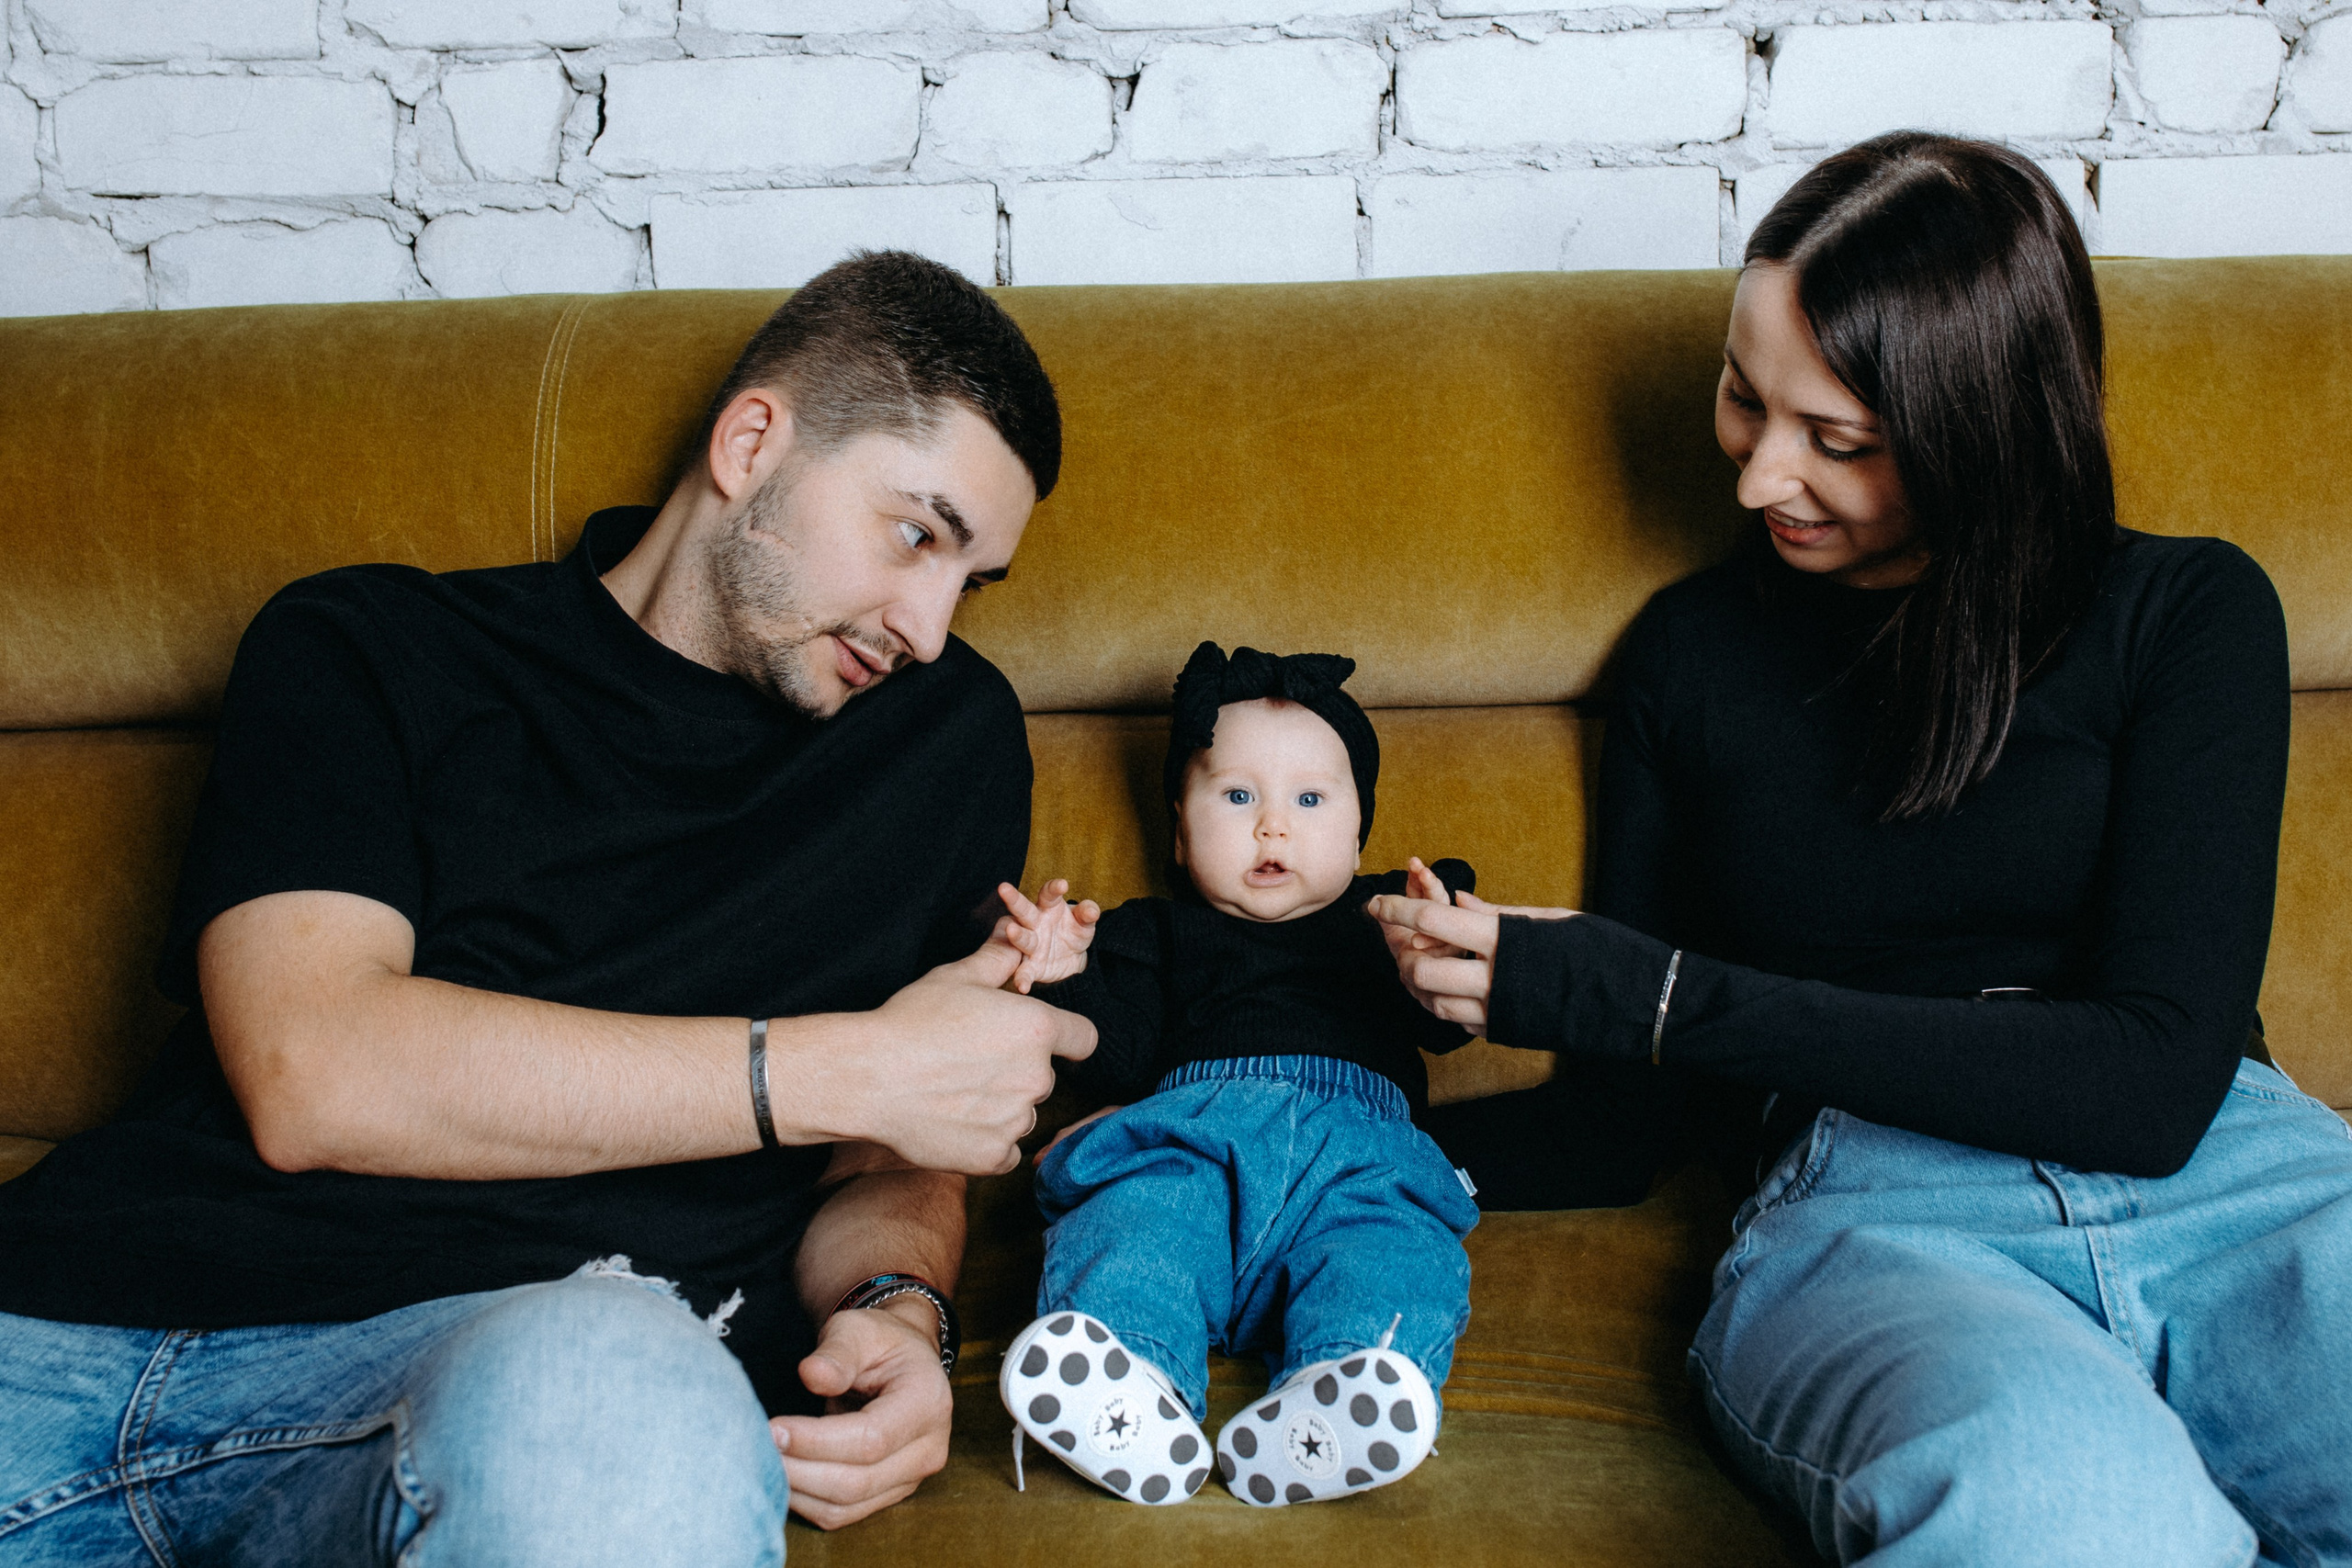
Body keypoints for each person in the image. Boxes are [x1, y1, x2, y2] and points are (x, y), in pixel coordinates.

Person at [0, 251, 1098, 1566]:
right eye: (917, 533)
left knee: (618, 1392)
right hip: (61, 1332)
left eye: (970, 581)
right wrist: (842, 1062)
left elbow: (891, 1138)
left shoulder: (945, 745)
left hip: (538, 1378)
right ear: (754, 443)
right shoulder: (369, 645)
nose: (928, 623)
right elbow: (315, 1070)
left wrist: (897, 1308)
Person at [1371, 134, 2352, 1565]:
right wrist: (1287, 1104)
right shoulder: (1691, 660)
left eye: (1839, 440)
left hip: (2242, 1177)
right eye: (1742, 396)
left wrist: (1657, 995)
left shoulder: (2189, 611)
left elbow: (2155, 1084)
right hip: (1879, 1219)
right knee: (2076, 1521)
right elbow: (1622, 1124)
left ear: (1987, 430)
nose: (1764, 476)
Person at [989, 642, 1481, 1509]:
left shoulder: (1388, 924)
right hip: (1194, 1143)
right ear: (1179, 832)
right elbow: (1122, 1051)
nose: (1273, 825)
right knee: (1134, 1224)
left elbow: (1445, 1027)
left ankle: (1339, 1397)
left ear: (1359, 830)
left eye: (1310, 799)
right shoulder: (1157, 932)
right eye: (1238, 795)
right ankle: (1130, 1381)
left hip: (1355, 1162)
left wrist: (1437, 965)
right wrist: (1065, 969)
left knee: (1392, 1252)